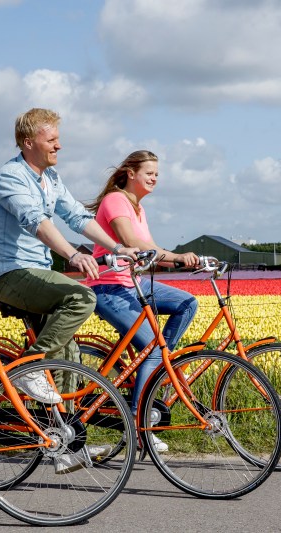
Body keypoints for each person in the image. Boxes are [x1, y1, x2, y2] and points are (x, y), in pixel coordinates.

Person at [0, 108, 138, 472]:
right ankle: (28, 367)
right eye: (51, 139)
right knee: (81, 296)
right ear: (28, 142)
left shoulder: (50, 178)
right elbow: (35, 222)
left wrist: (117, 249)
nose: (59, 144)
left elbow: (78, 217)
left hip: (38, 273)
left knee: (69, 351)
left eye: (58, 137)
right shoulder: (11, 176)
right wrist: (71, 254)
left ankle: (65, 440)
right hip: (12, 273)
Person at [85, 150, 199, 452]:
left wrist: (182, 262)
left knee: (187, 303)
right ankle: (138, 424)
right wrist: (175, 257)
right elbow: (133, 244)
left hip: (133, 284)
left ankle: (160, 363)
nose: (154, 178)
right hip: (109, 288)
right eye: (149, 172)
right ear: (130, 173)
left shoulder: (139, 208)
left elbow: (148, 251)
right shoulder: (115, 200)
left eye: (157, 174)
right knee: (151, 348)